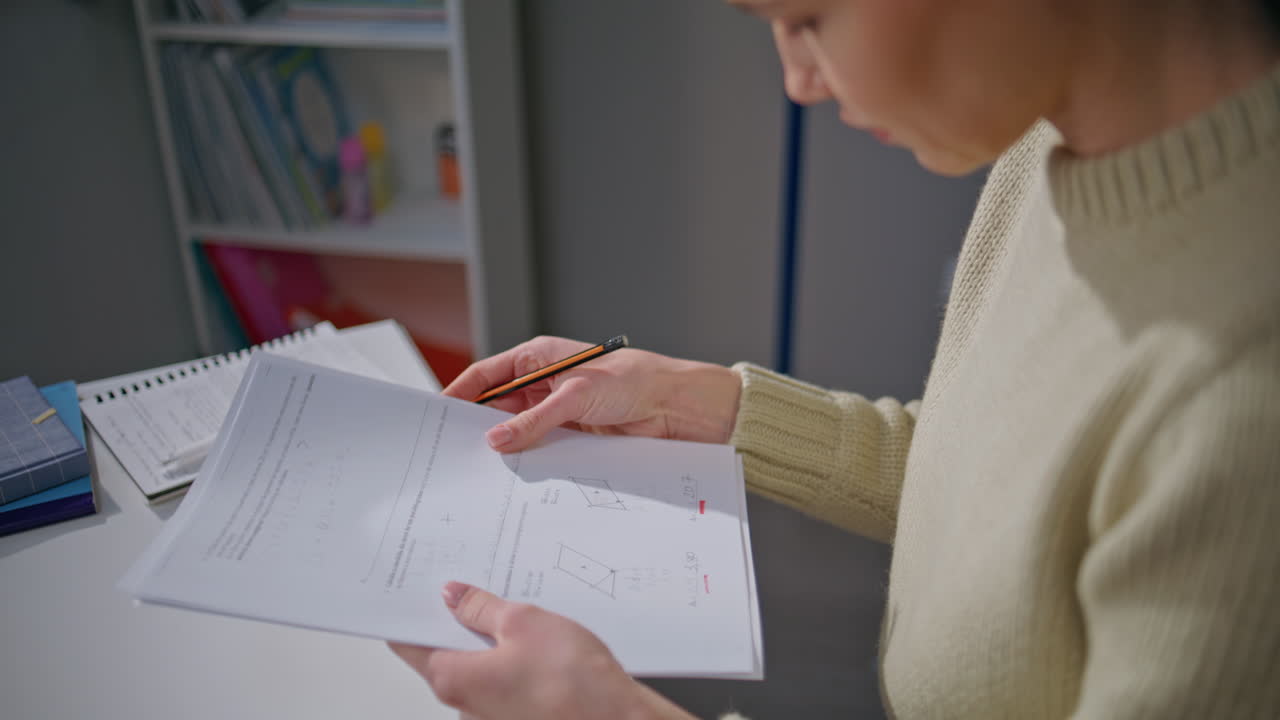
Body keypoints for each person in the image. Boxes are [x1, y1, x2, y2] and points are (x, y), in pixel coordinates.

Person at [390, 0, 1280, 717]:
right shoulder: (1052, 145)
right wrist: (705, 403)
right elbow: (1008, 483)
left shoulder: (1246, 406)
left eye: (810, 18)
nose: (798, 80)